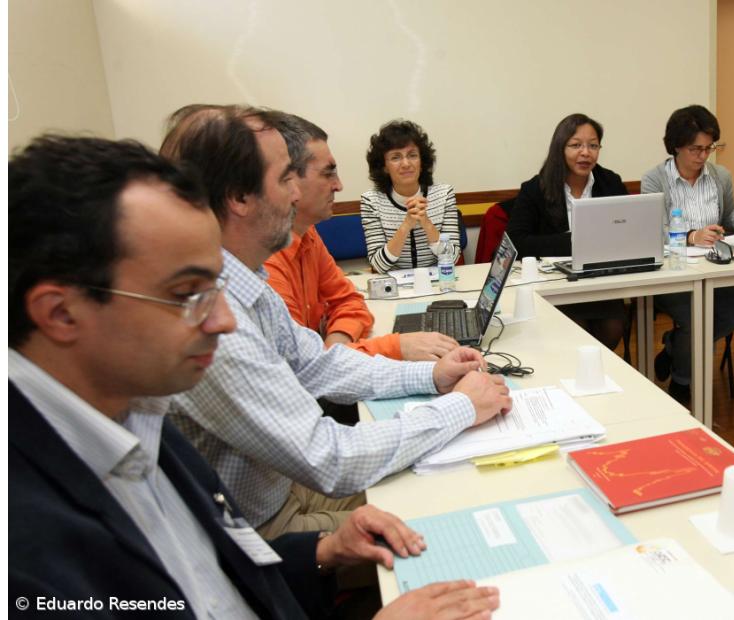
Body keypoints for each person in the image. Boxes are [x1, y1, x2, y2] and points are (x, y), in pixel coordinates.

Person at [8, 134, 501, 619]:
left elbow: (218, 577)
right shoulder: (25, 549)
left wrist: (322, 550)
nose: (224, 321)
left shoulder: (139, 414)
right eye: (187, 293)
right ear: (61, 314)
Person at [161, 105, 513, 541]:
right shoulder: (216, 319)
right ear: (238, 197)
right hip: (266, 526)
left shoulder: (246, 279)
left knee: (454, 486)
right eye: (287, 178)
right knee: (450, 525)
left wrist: (434, 376)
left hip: (287, 487)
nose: (297, 193)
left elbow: (320, 364)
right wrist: (460, 407)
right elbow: (330, 458)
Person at [263, 114, 459, 362]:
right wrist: (396, 347)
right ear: (287, 181)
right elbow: (303, 364)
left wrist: (336, 347)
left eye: (412, 155)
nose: (339, 186)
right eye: (327, 173)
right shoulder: (264, 257)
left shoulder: (308, 233)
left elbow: (349, 303)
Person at [641, 105, 734, 404]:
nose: (703, 156)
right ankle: (682, 381)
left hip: (715, 268)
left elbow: (728, 212)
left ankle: (673, 347)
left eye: (709, 148)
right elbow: (653, 230)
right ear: (676, 146)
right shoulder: (655, 179)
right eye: (696, 149)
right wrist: (692, 236)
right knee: (695, 320)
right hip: (674, 271)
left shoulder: (720, 176)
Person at [506, 113, 628, 349]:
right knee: (574, 329)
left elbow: (626, 231)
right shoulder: (536, 188)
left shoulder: (610, 182)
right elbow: (516, 242)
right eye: (576, 145)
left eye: (593, 146)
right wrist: (574, 242)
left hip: (601, 283)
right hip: (555, 287)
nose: (586, 153)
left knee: (613, 326)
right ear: (559, 149)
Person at [361, 119, 461, 273]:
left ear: (422, 162)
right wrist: (406, 225)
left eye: (412, 155)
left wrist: (425, 222)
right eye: (396, 157)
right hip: (395, 286)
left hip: (438, 281)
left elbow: (452, 258)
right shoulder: (371, 201)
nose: (406, 164)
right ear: (384, 167)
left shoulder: (444, 194)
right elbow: (379, 266)